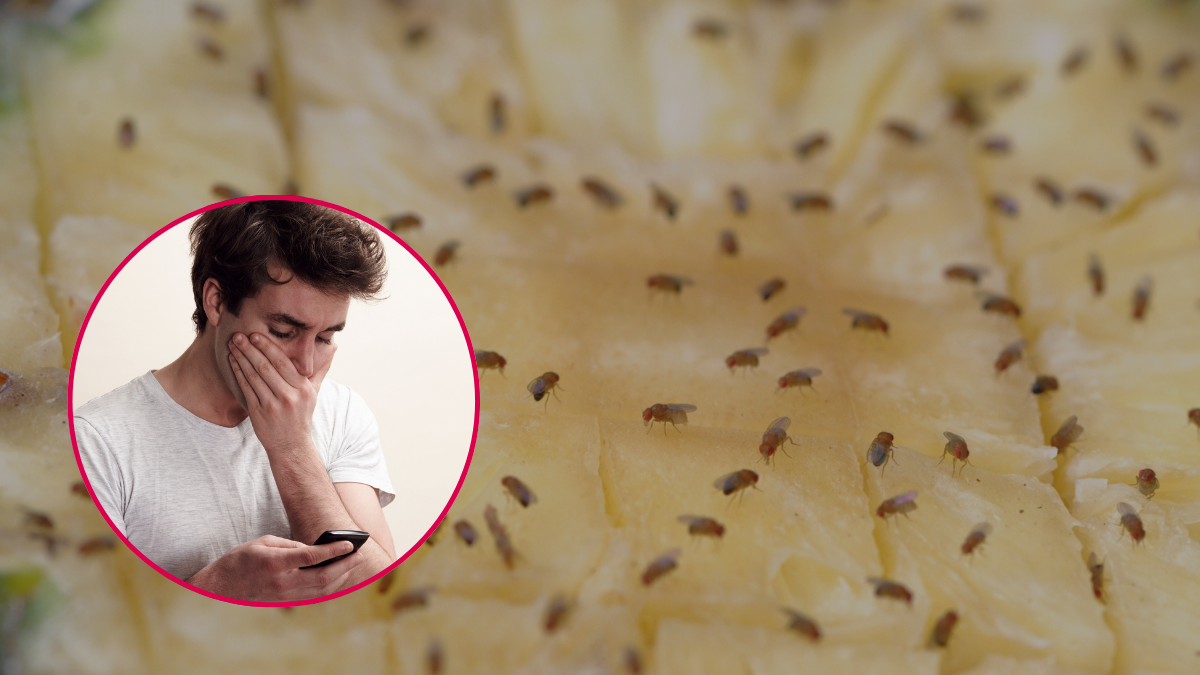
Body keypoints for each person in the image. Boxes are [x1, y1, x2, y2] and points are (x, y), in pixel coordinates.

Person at [75, 200, 396, 602]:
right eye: (283, 331)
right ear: (216, 301)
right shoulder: (98, 442)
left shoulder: (341, 413)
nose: (306, 362)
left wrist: (291, 447)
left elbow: (380, 600)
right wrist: (213, 590)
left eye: (327, 337)